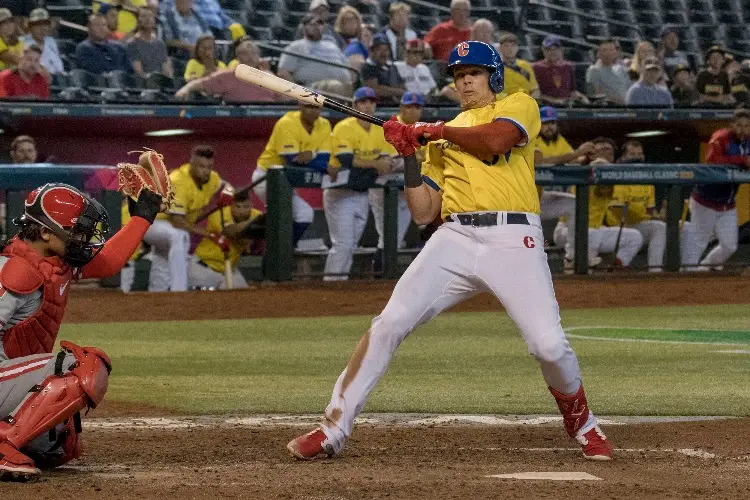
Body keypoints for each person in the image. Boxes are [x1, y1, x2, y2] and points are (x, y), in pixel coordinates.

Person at [288, 41, 614, 461]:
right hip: (455, 238)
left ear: (493, 76)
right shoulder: (442, 137)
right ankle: (332, 429)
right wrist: (408, 153)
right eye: (459, 76)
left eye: (474, 73)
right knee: (389, 323)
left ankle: (583, 424)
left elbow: (497, 140)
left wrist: (431, 131)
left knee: (548, 346)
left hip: (513, 237)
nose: (466, 82)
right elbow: (425, 212)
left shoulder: (518, 105)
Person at [0, 182, 162, 480]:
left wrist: (143, 217)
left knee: (57, 445)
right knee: (82, 365)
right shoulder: (16, 269)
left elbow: (109, 262)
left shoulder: (54, 263)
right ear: (46, 233)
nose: (83, 239)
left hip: (7, 379)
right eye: (75, 232)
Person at [322, 86, 397, 281]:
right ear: (354, 105)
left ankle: (338, 282)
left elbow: (388, 160)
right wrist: (375, 164)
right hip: (340, 191)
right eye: (363, 102)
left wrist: (381, 164)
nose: (367, 105)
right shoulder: (344, 127)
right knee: (343, 244)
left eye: (371, 102)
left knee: (351, 245)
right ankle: (331, 284)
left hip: (362, 193)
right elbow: (347, 160)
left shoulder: (379, 129)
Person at [142, 145, 224, 292]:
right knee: (180, 236)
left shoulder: (212, 178)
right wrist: (211, 235)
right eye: (201, 166)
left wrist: (228, 194)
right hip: (148, 221)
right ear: (191, 164)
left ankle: (156, 294)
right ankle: (179, 290)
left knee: (163, 258)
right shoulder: (179, 180)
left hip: (166, 227)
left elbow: (225, 186)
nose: (205, 170)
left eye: (208, 167)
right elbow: (178, 222)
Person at [253, 103, 331, 248]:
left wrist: (310, 157)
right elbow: (292, 160)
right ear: (299, 106)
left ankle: (284, 249)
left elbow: (325, 158)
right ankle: (278, 251)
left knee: (300, 215)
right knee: (292, 216)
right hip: (267, 177)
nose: (313, 111)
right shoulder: (286, 123)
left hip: (288, 181)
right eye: (309, 106)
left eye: (317, 107)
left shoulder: (324, 124)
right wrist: (316, 157)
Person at [682, 109, 750, 271]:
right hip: (705, 200)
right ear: (731, 125)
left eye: (747, 126)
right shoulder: (721, 137)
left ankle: (704, 268)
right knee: (699, 241)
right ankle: (684, 275)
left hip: (728, 204)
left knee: (730, 246)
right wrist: (742, 160)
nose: (743, 129)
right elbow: (712, 161)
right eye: (739, 125)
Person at [535, 106, 593, 265]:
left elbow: (571, 159)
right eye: (545, 123)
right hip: (519, 204)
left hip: (538, 199)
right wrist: (577, 153)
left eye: (552, 122)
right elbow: (542, 162)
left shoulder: (558, 140)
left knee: (574, 203)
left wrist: (584, 157)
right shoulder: (531, 138)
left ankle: (572, 256)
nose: (549, 127)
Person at [606, 141, 666, 272]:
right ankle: (654, 269)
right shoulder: (617, 174)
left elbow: (650, 209)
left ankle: (684, 270)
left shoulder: (646, 177)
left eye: (639, 154)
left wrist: (658, 216)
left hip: (638, 224)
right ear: (623, 157)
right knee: (658, 227)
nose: (637, 157)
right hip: (617, 226)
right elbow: (617, 210)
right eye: (632, 154)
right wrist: (649, 218)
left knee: (674, 227)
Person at [189, 190, 262, 290]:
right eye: (238, 206)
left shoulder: (256, 215)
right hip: (204, 267)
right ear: (231, 205)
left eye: (246, 206)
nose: (241, 211)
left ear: (251, 205)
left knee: (245, 295)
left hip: (228, 269)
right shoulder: (219, 214)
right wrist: (253, 224)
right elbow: (231, 232)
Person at [277, 13, 352, 92]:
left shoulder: (332, 45)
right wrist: (298, 92)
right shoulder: (296, 46)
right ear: (303, 28)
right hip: (313, 89)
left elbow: (348, 67)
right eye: (312, 24)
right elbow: (283, 73)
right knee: (335, 86)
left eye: (319, 24)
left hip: (342, 87)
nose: (316, 27)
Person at [533, 35, 589, 105]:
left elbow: (572, 91)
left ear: (561, 50)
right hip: (545, 107)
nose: (552, 52)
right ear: (543, 50)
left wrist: (582, 97)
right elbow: (534, 93)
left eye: (556, 49)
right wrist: (555, 101)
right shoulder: (536, 67)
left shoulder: (567, 66)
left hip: (566, 105)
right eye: (548, 49)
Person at [127, 7, 173, 77]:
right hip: (145, 84)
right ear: (137, 20)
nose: (147, 19)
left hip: (162, 82)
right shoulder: (133, 43)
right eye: (143, 16)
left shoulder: (160, 43)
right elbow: (139, 72)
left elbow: (166, 68)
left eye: (150, 16)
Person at [586, 39, 631, 105]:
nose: (608, 53)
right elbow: (595, 95)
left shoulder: (622, 69)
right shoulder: (594, 70)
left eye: (611, 50)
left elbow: (629, 89)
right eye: (604, 50)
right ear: (599, 53)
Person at [362, 34, 406, 102]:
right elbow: (374, 90)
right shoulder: (368, 67)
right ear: (371, 51)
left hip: (394, 106)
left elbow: (402, 86)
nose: (383, 53)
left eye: (386, 49)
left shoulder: (392, 66)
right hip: (377, 107)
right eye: (379, 49)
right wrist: (399, 92)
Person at [20, 8, 64, 76]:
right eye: (38, 25)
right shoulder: (23, 42)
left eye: (45, 24)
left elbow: (59, 67)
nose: (42, 28)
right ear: (30, 27)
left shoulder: (51, 41)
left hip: (57, 80)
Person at [498, 32, 539, 97]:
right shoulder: (495, 68)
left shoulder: (526, 66)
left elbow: (535, 89)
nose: (510, 49)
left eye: (513, 46)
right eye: (506, 46)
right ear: (500, 48)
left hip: (526, 102)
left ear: (517, 48)